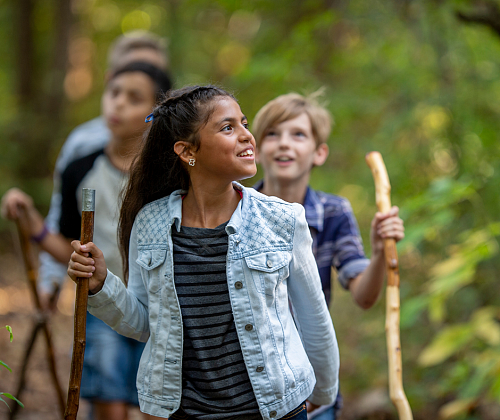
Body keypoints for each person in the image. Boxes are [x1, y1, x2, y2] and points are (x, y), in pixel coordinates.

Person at [67, 85, 340, 420]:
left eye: (245, 124)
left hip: (276, 410)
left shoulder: (282, 220)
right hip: (186, 412)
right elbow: (142, 322)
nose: (246, 136)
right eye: (228, 128)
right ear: (187, 151)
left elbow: (315, 320)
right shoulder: (151, 222)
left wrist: (323, 394)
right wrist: (100, 284)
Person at [2, 61, 172, 420]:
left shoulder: (169, 175)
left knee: (156, 404)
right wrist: (32, 219)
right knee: (108, 401)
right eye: (114, 93)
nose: (119, 104)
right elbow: (69, 245)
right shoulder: (80, 168)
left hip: (161, 307)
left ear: (155, 112)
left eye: (134, 97)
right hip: (100, 302)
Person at [251, 93, 405, 419]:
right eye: (272, 134)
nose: (283, 144)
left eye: (298, 135)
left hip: (311, 384)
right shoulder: (236, 209)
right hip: (249, 384)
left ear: (319, 152)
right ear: (256, 147)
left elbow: (364, 296)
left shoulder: (334, 212)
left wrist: (379, 253)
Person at [38, 31, 169, 301]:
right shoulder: (81, 148)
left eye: (136, 94)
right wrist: (49, 281)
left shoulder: (174, 161)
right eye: (118, 89)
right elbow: (62, 221)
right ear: (110, 80)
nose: (120, 102)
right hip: (103, 297)